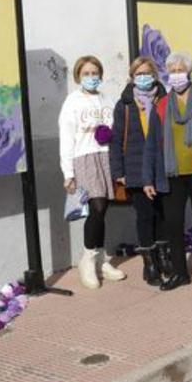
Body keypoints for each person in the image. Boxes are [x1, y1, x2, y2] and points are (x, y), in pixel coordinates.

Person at [144, 52, 192, 291]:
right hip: (171, 174)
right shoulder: (161, 105)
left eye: (180, 69)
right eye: (172, 70)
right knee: (174, 225)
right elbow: (152, 145)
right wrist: (148, 178)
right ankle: (180, 273)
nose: (176, 74)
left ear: (189, 73)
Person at [59, 55, 127, 289]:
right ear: (79, 76)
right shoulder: (73, 101)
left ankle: (101, 258)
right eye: (86, 73)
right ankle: (87, 259)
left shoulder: (108, 99)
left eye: (94, 73)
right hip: (84, 157)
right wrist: (68, 172)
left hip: (106, 156)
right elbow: (66, 137)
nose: (91, 77)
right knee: (96, 207)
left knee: (104, 207)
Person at [110, 56, 169, 286]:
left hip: (161, 167)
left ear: (154, 74)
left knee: (162, 215)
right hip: (134, 169)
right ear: (132, 77)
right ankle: (150, 263)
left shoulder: (165, 100)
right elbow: (115, 141)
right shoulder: (124, 104)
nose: (143, 77)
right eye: (138, 74)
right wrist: (118, 171)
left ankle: (165, 257)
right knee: (144, 217)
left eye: (147, 73)